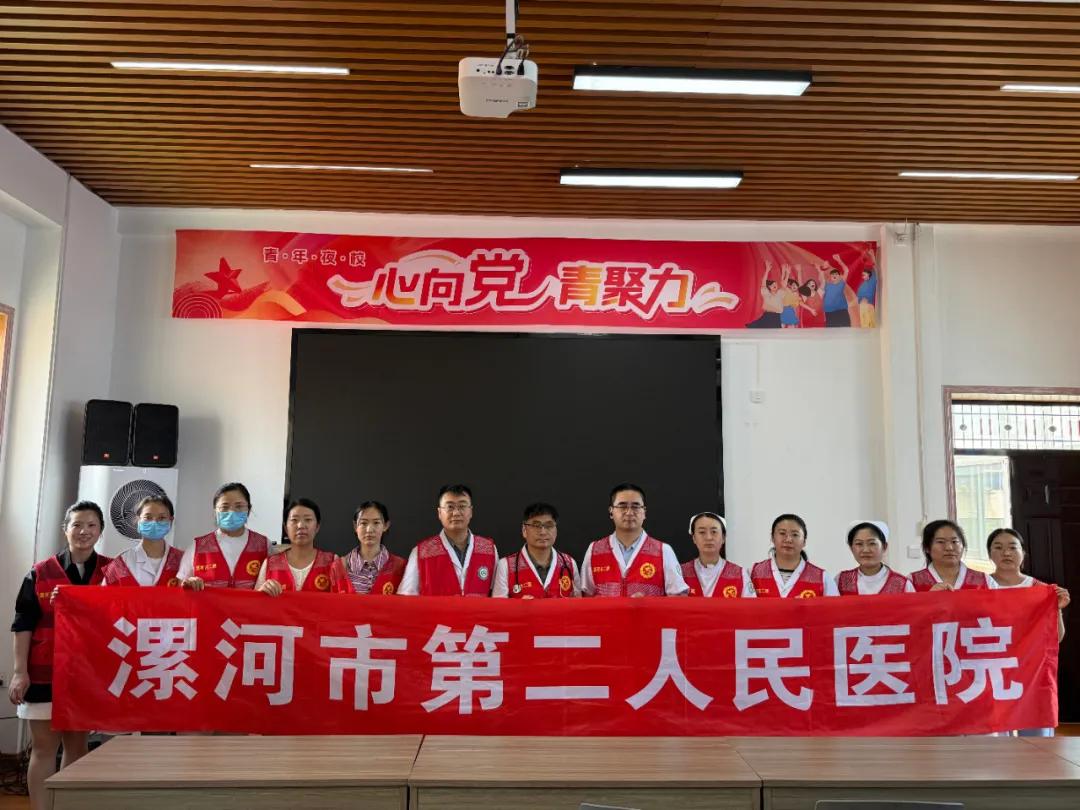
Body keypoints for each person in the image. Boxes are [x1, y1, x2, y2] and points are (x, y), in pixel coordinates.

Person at [8, 501, 112, 810]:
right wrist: (19, 672)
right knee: (43, 748)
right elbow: (23, 623)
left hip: (87, 673)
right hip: (44, 671)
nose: (84, 531)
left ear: (101, 531)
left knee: (77, 745)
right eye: (77, 525)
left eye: (91, 525)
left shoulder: (111, 571)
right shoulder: (41, 572)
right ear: (65, 529)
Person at [987, 527, 1071, 738]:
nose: (1006, 553)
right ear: (989, 554)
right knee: (996, 739)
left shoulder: (1040, 590)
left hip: (1032, 671)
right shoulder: (980, 588)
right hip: (993, 671)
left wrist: (1057, 609)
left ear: (1023, 553)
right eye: (998, 547)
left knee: (1037, 738)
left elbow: (1057, 638)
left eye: (1012, 547)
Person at [580, 483, 689, 597]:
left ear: (644, 512)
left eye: (636, 506)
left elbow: (679, 598)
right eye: (622, 506)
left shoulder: (663, 551)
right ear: (611, 511)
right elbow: (586, 597)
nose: (629, 512)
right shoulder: (594, 550)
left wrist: (649, 604)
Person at [398, 484, 497, 596]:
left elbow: (498, 596)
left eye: (462, 506)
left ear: (471, 511)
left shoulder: (489, 549)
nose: (456, 513)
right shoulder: (421, 552)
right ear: (439, 513)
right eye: (450, 507)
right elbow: (406, 597)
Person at [177, 482, 271, 590]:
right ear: (215, 512)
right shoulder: (197, 547)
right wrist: (189, 583)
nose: (231, 512)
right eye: (224, 507)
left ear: (249, 510)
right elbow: (180, 587)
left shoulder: (264, 546)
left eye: (239, 506)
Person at [255, 498, 352, 594]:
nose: (301, 525)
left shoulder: (332, 562)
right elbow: (255, 601)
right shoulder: (270, 564)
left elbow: (342, 600)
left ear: (317, 526)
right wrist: (262, 592)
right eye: (294, 520)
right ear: (285, 528)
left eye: (308, 520)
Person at [493, 502, 580, 598]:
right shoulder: (506, 566)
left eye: (549, 525)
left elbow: (579, 605)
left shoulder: (569, 564)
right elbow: (499, 606)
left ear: (556, 530)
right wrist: (518, 605)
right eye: (536, 525)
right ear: (524, 530)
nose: (543, 532)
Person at [102, 495, 184, 587]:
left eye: (161, 518)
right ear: (138, 520)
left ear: (171, 521)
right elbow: (104, 594)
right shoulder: (121, 564)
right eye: (148, 517)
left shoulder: (183, 560)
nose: (154, 523)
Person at [750, 513, 839, 597]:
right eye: (782, 533)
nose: (788, 539)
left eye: (795, 535)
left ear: (804, 541)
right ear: (773, 538)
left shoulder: (822, 578)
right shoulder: (754, 573)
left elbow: (834, 607)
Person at [680, 512, 754, 598]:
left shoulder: (740, 575)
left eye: (714, 532)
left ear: (723, 538)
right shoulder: (680, 574)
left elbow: (751, 605)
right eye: (702, 532)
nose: (708, 537)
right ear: (694, 538)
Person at [342, 500, 406, 595]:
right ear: (355, 526)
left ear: (385, 526)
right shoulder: (340, 567)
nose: (369, 530)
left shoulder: (400, 567)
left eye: (376, 523)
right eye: (363, 523)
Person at [910, 519, 991, 591]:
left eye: (954, 542)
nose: (949, 548)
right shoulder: (912, 582)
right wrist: (928, 598)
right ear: (927, 548)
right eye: (941, 542)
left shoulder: (985, 580)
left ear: (963, 546)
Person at [835, 521, 914, 595]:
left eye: (872, 543)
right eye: (859, 544)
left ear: (884, 547)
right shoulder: (841, 581)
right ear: (851, 548)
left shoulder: (903, 585)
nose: (865, 550)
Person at [746, 260, 784, 328]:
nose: (775, 285)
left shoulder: (779, 294)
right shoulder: (766, 293)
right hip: (768, 315)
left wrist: (785, 272)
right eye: (772, 285)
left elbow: (783, 285)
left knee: (775, 331)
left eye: (776, 284)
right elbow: (763, 283)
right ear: (769, 287)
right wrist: (767, 270)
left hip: (776, 317)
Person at [821, 260, 856, 327]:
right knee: (831, 331)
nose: (834, 275)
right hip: (829, 313)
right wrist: (823, 267)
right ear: (830, 277)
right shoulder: (827, 285)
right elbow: (822, 275)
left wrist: (839, 261)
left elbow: (846, 271)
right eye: (832, 274)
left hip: (840, 311)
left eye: (836, 274)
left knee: (845, 329)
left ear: (840, 277)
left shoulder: (841, 283)